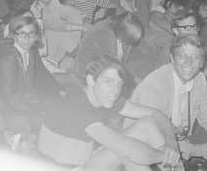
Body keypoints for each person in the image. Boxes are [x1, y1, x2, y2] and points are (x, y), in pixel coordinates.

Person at [38, 55, 180, 168]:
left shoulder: (105, 96)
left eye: (119, 84)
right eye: (109, 82)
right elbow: (126, 150)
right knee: (129, 152)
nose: (115, 91)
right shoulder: (76, 106)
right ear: (91, 80)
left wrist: (171, 143)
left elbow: (155, 114)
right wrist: (166, 157)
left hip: (84, 161)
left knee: (146, 125)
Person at [131, 34, 207, 160]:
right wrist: (198, 150)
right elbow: (154, 137)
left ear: (202, 63)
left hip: (178, 143)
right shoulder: (156, 83)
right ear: (172, 58)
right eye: (182, 55)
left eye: (195, 57)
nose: (189, 62)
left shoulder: (199, 79)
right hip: (143, 150)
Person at [0, 13, 62, 127]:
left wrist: (44, 105)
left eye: (31, 33)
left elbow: (29, 88)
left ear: (36, 36)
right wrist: (39, 110)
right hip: (1, 110)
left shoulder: (30, 52)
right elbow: (11, 97)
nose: (27, 38)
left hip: (18, 102)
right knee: (48, 120)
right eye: (22, 33)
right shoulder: (7, 57)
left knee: (57, 104)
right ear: (14, 35)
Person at [74, 12, 144, 79]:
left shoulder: (118, 30)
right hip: (88, 72)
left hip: (107, 69)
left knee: (147, 64)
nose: (129, 44)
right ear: (123, 33)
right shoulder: (102, 33)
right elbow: (113, 66)